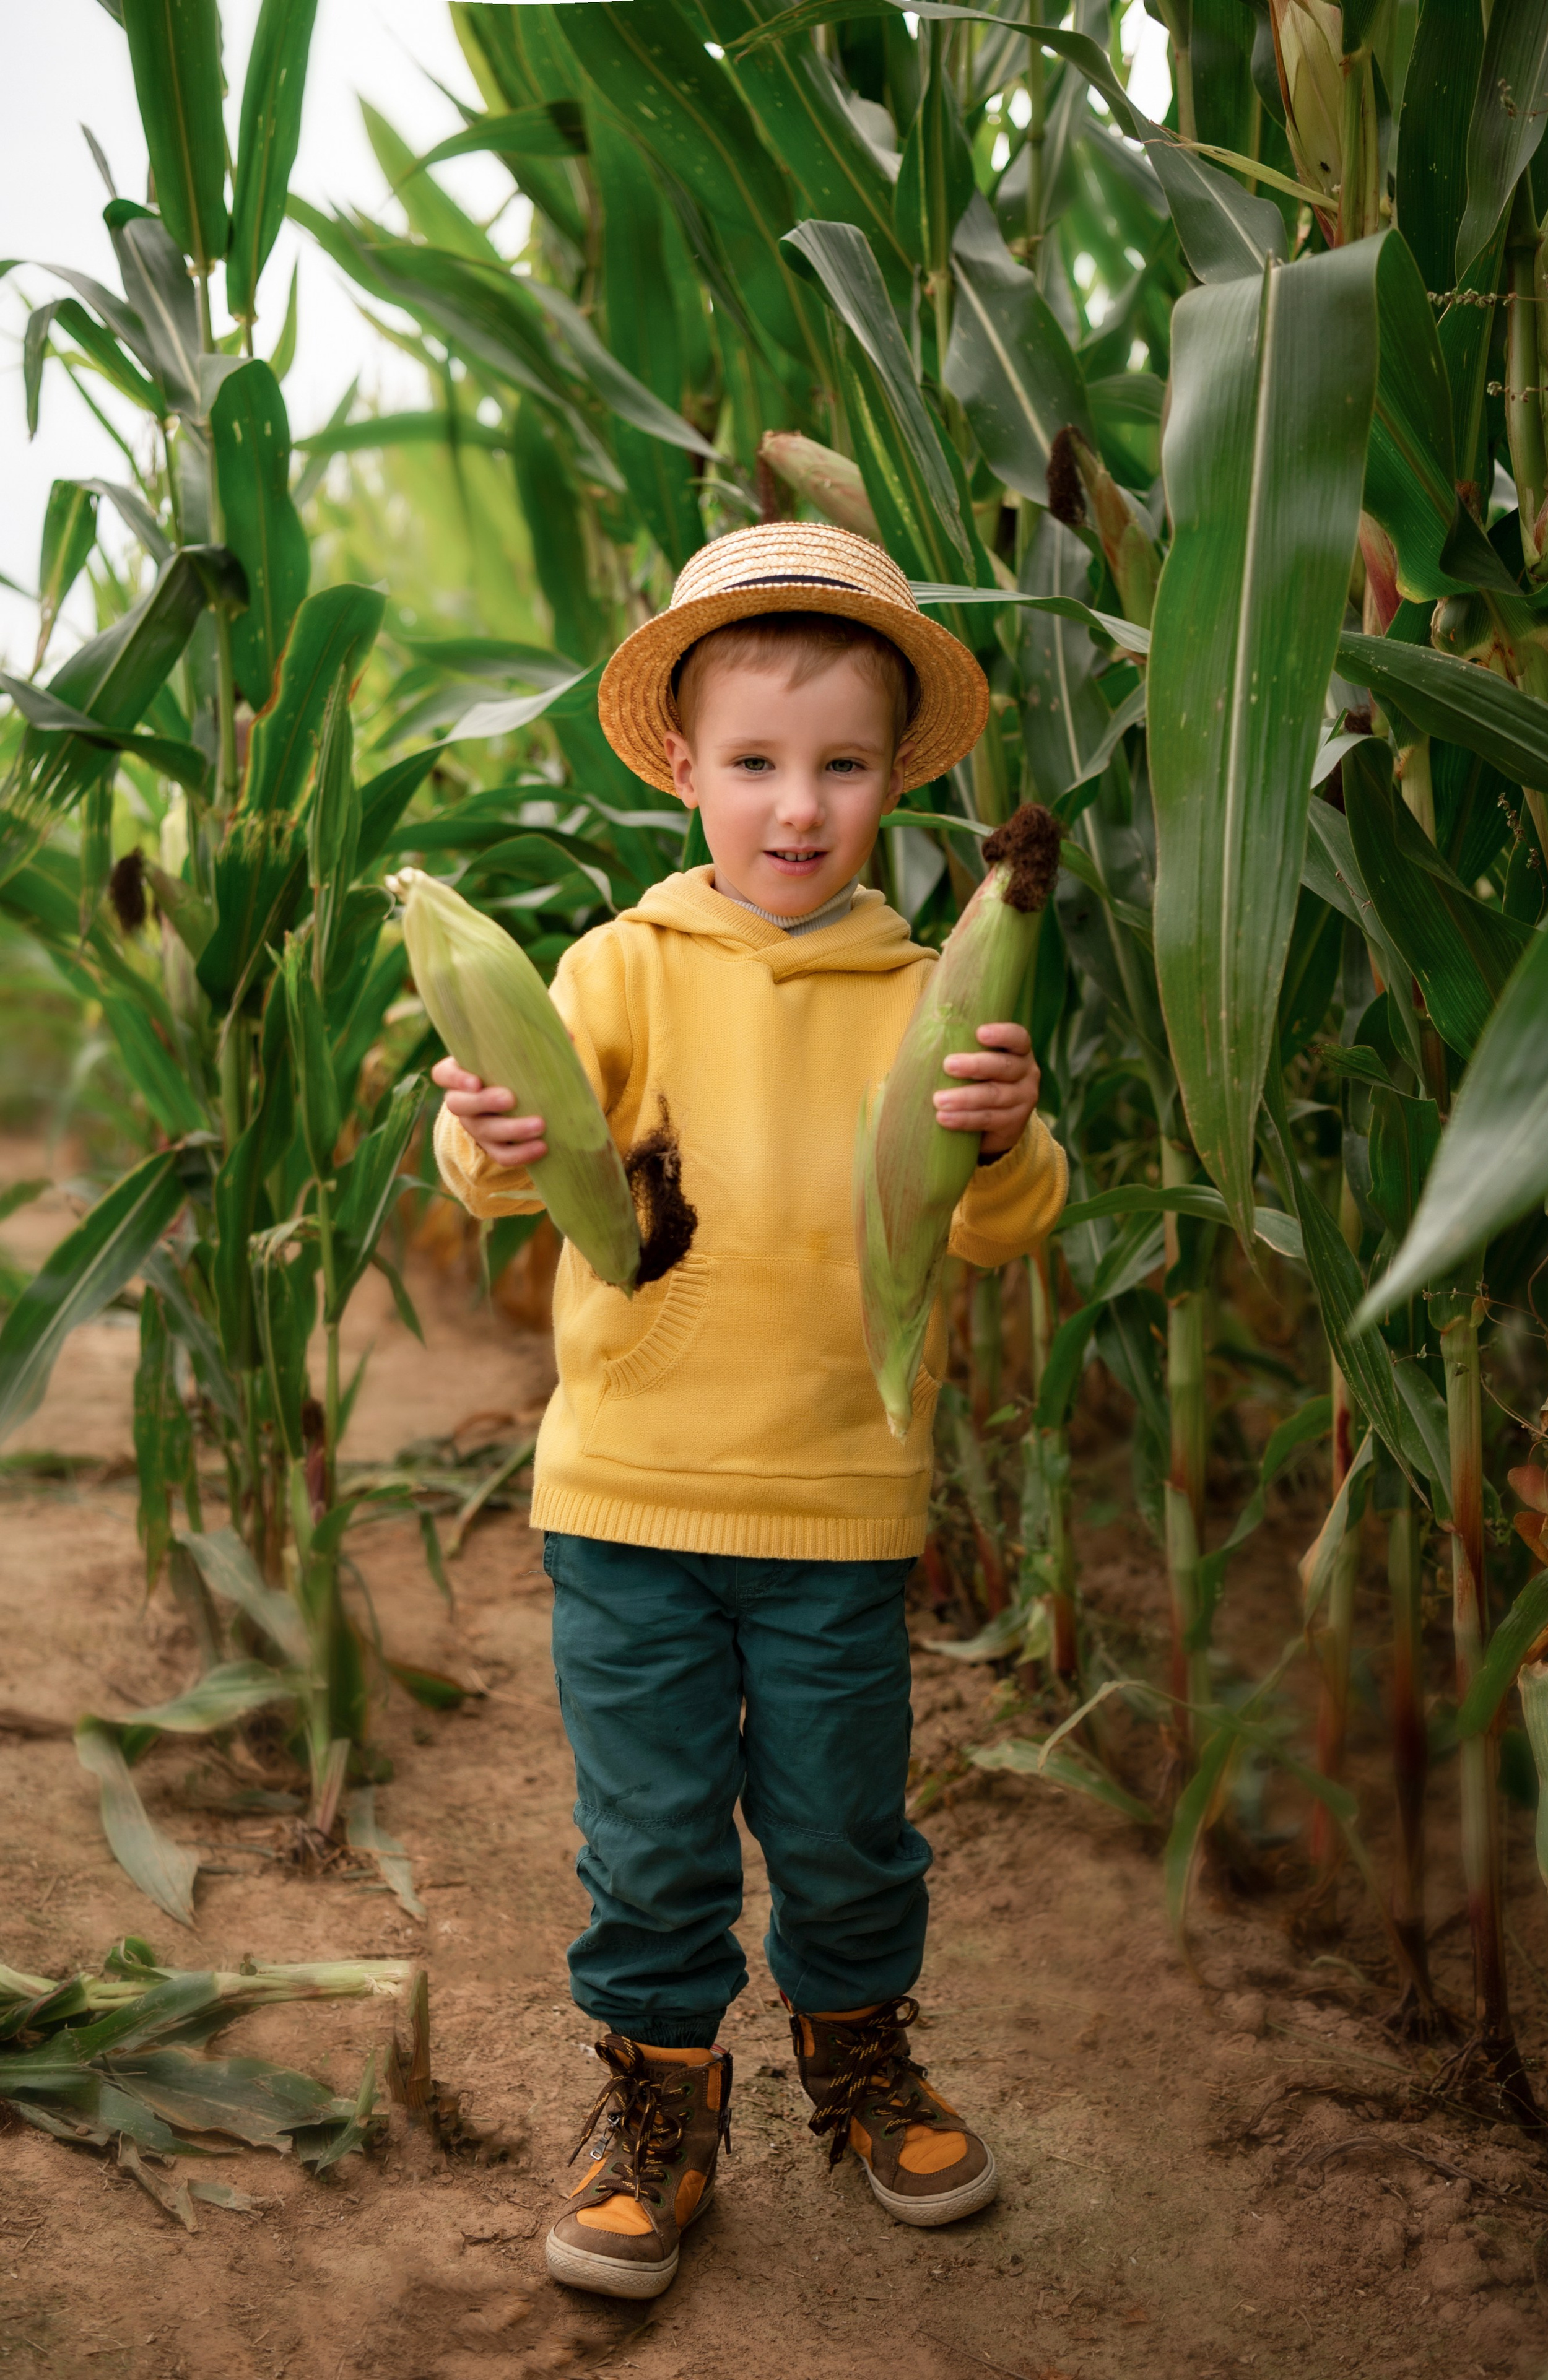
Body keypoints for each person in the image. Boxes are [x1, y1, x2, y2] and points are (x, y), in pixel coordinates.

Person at [432, 523, 1067, 2301]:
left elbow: (999, 1223)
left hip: (838, 1508)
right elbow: (519, 1164)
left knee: (848, 1825)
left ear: (891, 779)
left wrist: (1011, 1136)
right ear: (688, 769)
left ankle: (859, 2047)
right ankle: (657, 2095)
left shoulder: (933, 992)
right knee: (647, 1842)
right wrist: (475, 1133)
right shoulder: (623, 968)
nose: (798, 808)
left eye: (842, 765)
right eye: (758, 764)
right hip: (629, 1497)